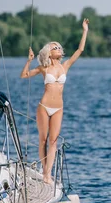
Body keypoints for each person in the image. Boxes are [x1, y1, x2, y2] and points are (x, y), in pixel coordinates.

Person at [20, 18, 89, 184]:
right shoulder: (44, 68)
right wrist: (29, 60)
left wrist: (85, 30)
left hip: (58, 108)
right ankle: (45, 172)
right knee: (43, 139)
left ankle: (47, 173)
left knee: (54, 141)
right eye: (54, 47)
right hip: (44, 106)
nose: (58, 49)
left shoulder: (64, 66)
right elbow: (24, 75)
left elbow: (80, 50)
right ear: (49, 53)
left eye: (59, 47)